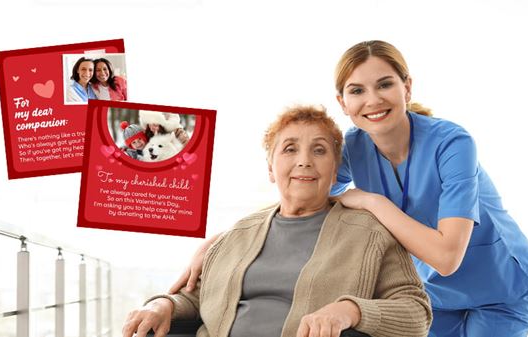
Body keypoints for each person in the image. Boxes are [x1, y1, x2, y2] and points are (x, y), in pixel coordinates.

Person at [171, 41, 528, 337]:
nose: (373, 100)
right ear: (343, 102)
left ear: (407, 87)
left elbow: (447, 257)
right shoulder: (353, 148)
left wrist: (372, 201)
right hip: (433, 296)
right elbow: (300, 198)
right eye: (357, 90)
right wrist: (222, 241)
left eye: (385, 84)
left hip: (502, 289)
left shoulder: (453, 143)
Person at [122, 105, 432, 337]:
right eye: (290, 149)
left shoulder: (369, 232)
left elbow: (416, 312)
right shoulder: (240, 233)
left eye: (319, 150)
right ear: (271, 169)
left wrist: (350, 311)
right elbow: (200, 296)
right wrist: (163, 305)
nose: (304, 160)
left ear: (336, 170)